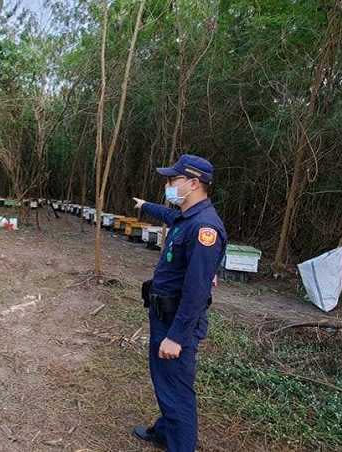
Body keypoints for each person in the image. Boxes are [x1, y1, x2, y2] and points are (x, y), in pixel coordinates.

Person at [131, 154, 227, 452]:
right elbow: (168, 215)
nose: (168, 185)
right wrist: (145, 206)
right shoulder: (187, 217)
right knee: (166, 383)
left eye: (173, 180)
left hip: (176, 323)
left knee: (177, 391)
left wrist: (176, 337)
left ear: (195, 183)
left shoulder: (204, 228)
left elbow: (197, 291)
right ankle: (164, 432)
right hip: (163, 314)